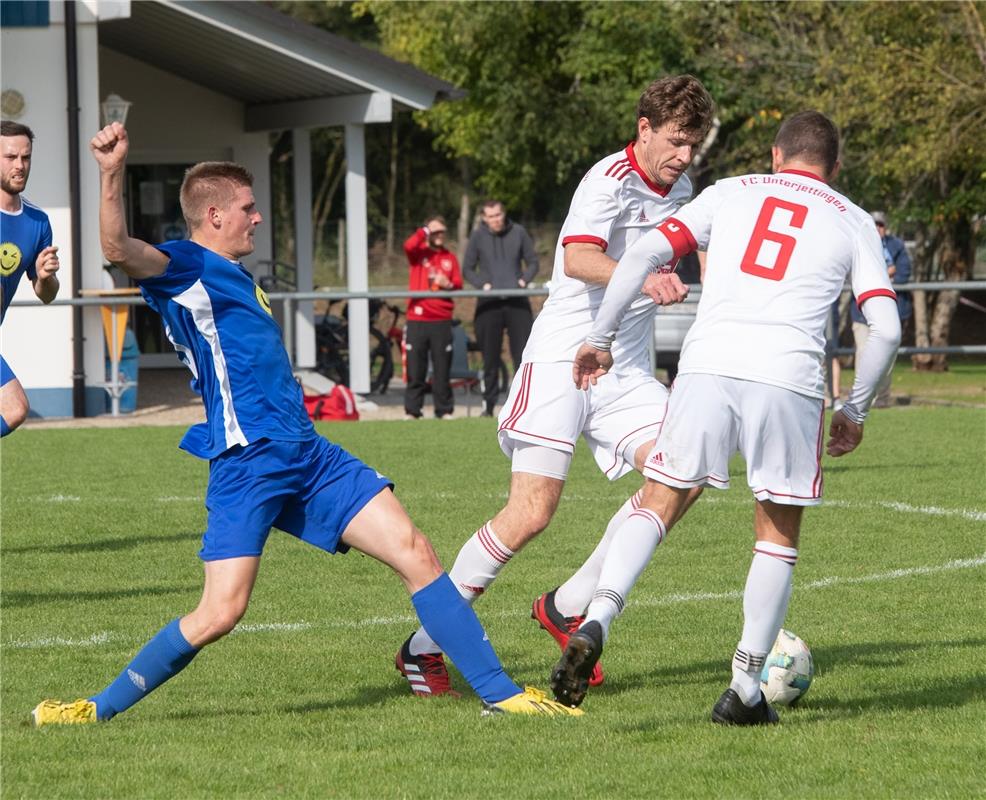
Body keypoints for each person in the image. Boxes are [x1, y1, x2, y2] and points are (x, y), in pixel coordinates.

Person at [31, 122, 582, 726]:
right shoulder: (184, 265)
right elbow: (116, 249)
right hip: (248, 462)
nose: (257, 218)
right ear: (213, 215)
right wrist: (112, 172)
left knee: (415, 551)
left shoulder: (238, 276)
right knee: (220, 612)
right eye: (247, 208)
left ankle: (503, 695)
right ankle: (93, 709)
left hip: (309, 454)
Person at [556, 111, 901, 725]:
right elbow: (887, 327)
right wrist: (855, 408)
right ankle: (744, 688)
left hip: (707, 365)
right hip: (789, 376)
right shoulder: (850, 217)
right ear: (835, 167)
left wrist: (601, 337)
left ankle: (597, 618)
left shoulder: (728, 192)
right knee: (776, 534)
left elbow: (640, 257)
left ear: (775, 155)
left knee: (660, 497)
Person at [394, 75, 715, 697]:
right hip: (563, 362)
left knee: (686, 471)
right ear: (643, 129)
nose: (683, 155)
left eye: (693, 145)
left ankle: (569, 606)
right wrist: (644, 276)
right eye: (676, 140)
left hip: (622, 369)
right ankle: (422, 647)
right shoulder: (607, 181)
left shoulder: (684, 189)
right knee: (531, 513)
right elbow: (577, 258)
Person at [0, 120, 60, 436]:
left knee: (14, 409)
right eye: (10, 157)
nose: (20, 165)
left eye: (26, 158)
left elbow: (45, 293)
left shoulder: (37, 222)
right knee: (13, 407)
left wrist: (45, 276)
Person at [462, 200, 539, 416]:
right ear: (484, 218)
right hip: (489, 303)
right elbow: (467, 268)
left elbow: (533, 262)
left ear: (503, 214)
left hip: (517, 301)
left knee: (522, 356)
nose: (495, 220)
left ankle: (523, 405)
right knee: (490, 358)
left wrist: (523, 280)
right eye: (490, 216)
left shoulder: (519, 232)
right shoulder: (478, 236)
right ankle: (488, 406)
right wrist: (482, 285)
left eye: (498, 215)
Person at [402, 216, 462, 419]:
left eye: (442, 231)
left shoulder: (449, 257)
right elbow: (408, 245)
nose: (439, 235)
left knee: (442, 368)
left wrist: (448, 284)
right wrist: (425, 230)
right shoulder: (418, 254)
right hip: (417, 318)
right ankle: (412, 411)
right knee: (415, 368)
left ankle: (444, 410)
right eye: (435, 231)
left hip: (441, 319)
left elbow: (458, 284)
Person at [850, 210, 911, 407]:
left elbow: (903, 273)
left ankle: (882, 399)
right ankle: (860, 401)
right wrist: (885, 273)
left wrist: (877, 275)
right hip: (862, 313)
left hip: (890, 310)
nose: (877, 228)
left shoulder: (897, 246)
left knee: (886, 355)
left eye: (881, 225)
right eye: (874, 224)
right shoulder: (859, 242)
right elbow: (850, 273)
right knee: (863, 353)